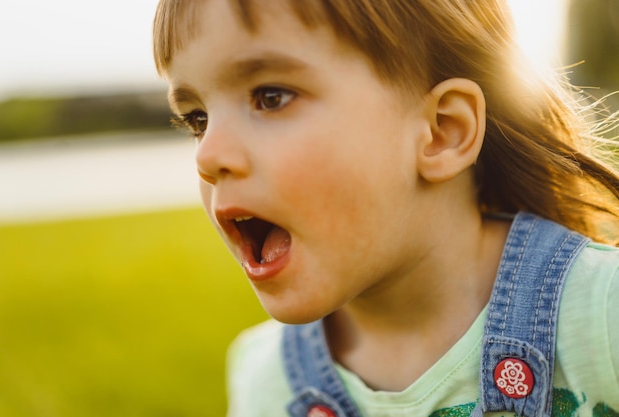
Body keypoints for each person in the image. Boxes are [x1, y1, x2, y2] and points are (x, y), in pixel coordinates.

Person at [152, 0, 619, 415]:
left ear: (442, 131)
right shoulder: (264, 381)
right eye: (198, 119)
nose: (208, 155)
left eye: (270, 97)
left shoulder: (602, 314)